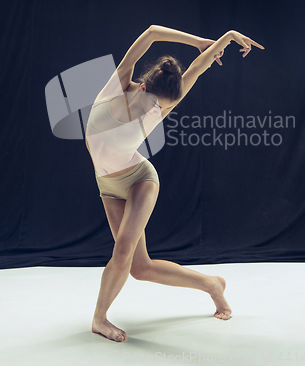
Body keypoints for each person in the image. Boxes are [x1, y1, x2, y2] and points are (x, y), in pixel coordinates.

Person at [85, 25, 264, 341]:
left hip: (139, 179)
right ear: (142, 89)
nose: (160, 110)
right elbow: (152, 32)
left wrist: (225, 39)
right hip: (108, 186)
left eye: (167, 105)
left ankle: (99, 319)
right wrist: (199, 41)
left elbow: (197, 69)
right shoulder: (118, 86)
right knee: (140, 268)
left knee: (123, 249)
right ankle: (212, 284)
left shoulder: (160, 104)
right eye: (157, 103)